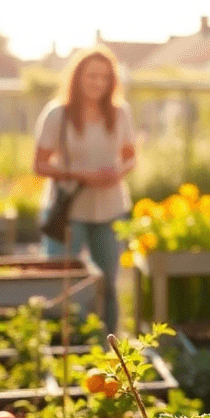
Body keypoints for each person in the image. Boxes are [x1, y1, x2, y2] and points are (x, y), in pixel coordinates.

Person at [33, 46, 136, 335]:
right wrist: (82, 175)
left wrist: (118, 173)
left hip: (110, 209)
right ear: (78, 77)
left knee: (108, 284)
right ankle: (63, 342)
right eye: (92, 76)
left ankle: (108, 344)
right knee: (63, 282)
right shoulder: (58, 114)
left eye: (104, 77)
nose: (98, 83)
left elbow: (131, 157)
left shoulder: (120, 113)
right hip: (68, 211)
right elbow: (39, 164)